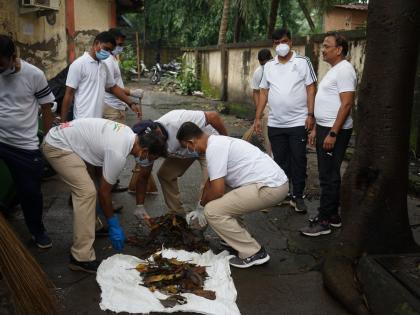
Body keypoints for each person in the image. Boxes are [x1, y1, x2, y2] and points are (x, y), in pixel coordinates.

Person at [42, 118, 167, 273]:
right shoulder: (118, 152)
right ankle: (81, 258)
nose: (146, 161)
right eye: (150, 158)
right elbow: (104, 192)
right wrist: (113, 223)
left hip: (68, 141)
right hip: (58, 146)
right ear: (145, 150)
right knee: (86, 193)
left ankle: (92, 226)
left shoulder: (129, 135)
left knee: (91, 187)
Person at [177, 122, 289, 268]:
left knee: (213, 211)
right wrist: (199, 206)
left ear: (191, 142)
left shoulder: (214, 148)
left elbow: (217, 190)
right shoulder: (218, 142)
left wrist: (204, 210)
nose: (189, 151)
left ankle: (253, 253)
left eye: (187, 147)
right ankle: (233, 238)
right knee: (220, 201)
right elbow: (210, 183)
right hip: (274, 183)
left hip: (270, 187)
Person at [0, 35, 54, 249]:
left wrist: (49, 140)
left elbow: (47, 108)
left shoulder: (34, 75)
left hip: (23, 145)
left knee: (30, 192)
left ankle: (37, 230)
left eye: (1, 63)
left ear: (13, 57)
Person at [255, 28, 317, 213]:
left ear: (290, 42)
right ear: (273, 45)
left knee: (298, 159)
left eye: (284, 41)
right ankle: (283, 194)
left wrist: (311, 115)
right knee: (280, 161)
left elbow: (311, 89)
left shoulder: (303, 62)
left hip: (298, 122)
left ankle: (298, 196)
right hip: (275, 123)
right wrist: (258, 117)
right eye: (276, 43)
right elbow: (264, 92)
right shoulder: (269, 67)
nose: (280, 45)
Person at [300, 32, 356, 237]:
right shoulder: (335, 69)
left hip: (336, 130)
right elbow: (328, 101)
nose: (322, 49)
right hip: (325, 128)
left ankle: (323, 221)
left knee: (329, 175)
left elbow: (347, 103)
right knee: (327, 173)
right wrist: (316, 128)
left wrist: (332, 133)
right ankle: (332, 216)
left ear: (339, 49)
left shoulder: (345, 70)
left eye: (326, 46)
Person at [130, 110, 228, 218]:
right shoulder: (148, 147)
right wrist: (140, 206)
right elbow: (143, 176)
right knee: (165, 175)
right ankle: (178, 214)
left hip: (207, 146)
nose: (148, 157)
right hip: (186, 150)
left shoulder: (177, 121)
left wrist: (225, 140)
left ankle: (200, 218)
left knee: (211, 184)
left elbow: (213, 116)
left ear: (158, 134)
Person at [103, 28, 148, 193]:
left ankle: (110, 183)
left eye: (121, 44)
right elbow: (109, 87)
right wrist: (130, 98)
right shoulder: (107, 59)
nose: (120, 47)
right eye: (118, 44)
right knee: (115, 147)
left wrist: (130, 94)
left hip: (117, 105)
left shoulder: (113, 58)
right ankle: (108, 185)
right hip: (112, 107)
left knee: (115, 147)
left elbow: (116, 85)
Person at [60, 31, 141, 122]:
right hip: (82, 120)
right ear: (96, 43)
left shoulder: (103, 66)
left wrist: (130, 103)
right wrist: (63, 122)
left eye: (110, 51)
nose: (108, 53)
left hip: (99, 120)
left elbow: (113, 87)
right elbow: (69, 94)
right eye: (106, 49)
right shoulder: (79, 65)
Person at [242, 48, 273, 155]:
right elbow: (255, 92)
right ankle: (271, 158)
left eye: (266, 63)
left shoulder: (279, 69)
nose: (264, 66)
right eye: (262, 64)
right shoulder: (258, 72)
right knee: (268, 138)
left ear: (271, 58)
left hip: (281, 110)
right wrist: (259, 110)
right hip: (267, 109)